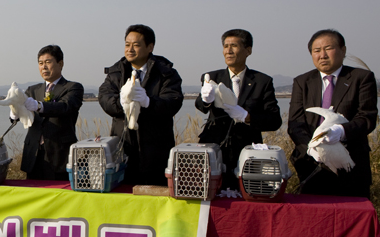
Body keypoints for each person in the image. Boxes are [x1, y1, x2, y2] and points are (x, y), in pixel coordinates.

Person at [288, 29, 378, 198]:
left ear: (343, 50)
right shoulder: (302, 82)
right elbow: (295, 124)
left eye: (328, 48)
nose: (322, 55)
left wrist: (341, 131)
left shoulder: (361, 77)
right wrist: (311, 148)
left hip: (351, 165)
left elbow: (367, 117)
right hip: (311, 166)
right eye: (316, 51)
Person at [195, 29, 282, 189]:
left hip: (248, 152)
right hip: (215, 149)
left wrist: (247, 117)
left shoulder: (262, 81)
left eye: (234, 46)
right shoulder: (211, 77)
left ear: (248, 50)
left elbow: (274, 120)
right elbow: (200, 106)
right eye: (225, 46)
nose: (228, 50)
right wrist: (206, 99)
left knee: (248, 194)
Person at [98, 24, 183, 186]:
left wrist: (148, 102)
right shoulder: (115, 72)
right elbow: (104, 98)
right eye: (127, 44)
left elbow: (173, 102)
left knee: (155, 198)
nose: (130, 49)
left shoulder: (166, 73)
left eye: (136, 45)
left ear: (150, 47)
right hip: (123, 149)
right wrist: (121, 103)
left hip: (156, 151)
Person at [18, 45, 84, 180]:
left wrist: (39, 106)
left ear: (61, 64)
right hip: (34, 156)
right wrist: (14, 113)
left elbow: (66, 106)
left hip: (59, 155)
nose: (44, 67)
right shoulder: (32, 90)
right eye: (40, 63)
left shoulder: (73, 87)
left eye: (48, 62)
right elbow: (23, 114)